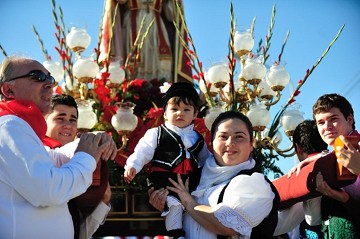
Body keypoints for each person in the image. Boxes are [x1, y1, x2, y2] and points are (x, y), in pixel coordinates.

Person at [0, 56, 117, 238]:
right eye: (37, 76)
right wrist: (86, 157)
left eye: (50, 78)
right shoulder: (9, 125)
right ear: (9, 89)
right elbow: (49, 190)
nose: (49, 84)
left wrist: (93, 140)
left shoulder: (22, 130)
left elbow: (55, 157)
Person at [151, 111, 279, 238]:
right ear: (211, 143)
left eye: (239, 137)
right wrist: (165, 203)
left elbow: (226, 226)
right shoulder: (193, 176)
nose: (230, 143)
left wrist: (188, 203)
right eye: (223, 136)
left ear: (251, 144)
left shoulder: (256, 184)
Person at [124, 82, 211, 238]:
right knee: (174, 204)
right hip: (164, 180)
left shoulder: (198, 138)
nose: (180, 113)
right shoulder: (156, 133)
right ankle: (175, 233)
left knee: (193, 208)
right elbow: (142, 151)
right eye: (174, 109)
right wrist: (132, 166)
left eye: (186, 110)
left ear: (195, 114)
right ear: (164, 113)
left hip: (189, 182)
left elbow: (207, 161)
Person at [44, 94, 112, 239]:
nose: (68, 125)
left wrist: (104, 201)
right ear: (44, 120)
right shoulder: (37, 151)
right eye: (60, 119)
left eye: (72, 120)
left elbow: (82, 234)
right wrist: (95, 137)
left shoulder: (84, 157)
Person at [301, 93, 360, 238]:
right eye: (320, 123)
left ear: (349, 119)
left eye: (333, 119)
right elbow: (314, 221)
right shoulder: (325, 159)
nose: (327, 127)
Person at [102, 0, 192, 82]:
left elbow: (172, 15)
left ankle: (160, 91)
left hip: (156, 26)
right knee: (133, 62)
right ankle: (134, 90)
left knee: (162, 62)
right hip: (133, 24)